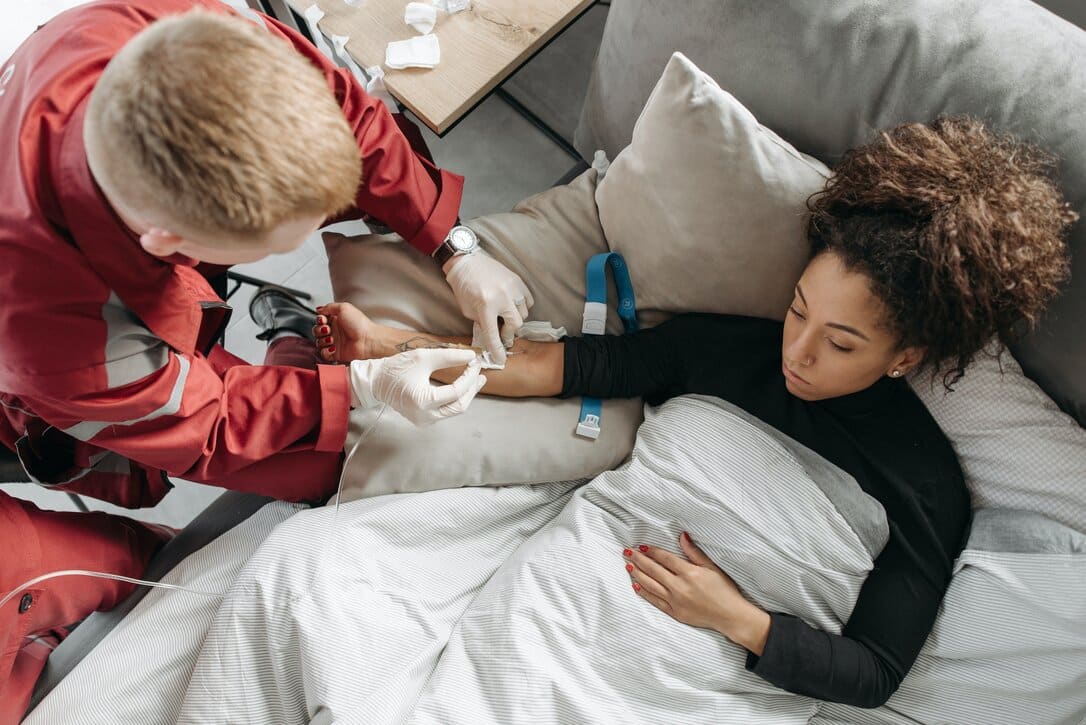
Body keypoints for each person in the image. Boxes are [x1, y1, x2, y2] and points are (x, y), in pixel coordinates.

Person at [312, 117, 1075, 707]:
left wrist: (737, 617)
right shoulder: (725, 348)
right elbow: (564, 366)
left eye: (841, 344)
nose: (798, 352)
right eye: (798, 310)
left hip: (692, 668)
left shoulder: (928, 482)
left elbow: (877, 671)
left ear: (904, 358)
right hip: (574, 589)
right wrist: (395, 343)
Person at [0, 0, 522, 715]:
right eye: (280, 246)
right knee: (323, 467)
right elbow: (207, 423)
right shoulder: (64, 346)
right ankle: (291, 339)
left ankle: (290, 339)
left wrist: (453, 246)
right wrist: (363, 388)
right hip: (89, 383)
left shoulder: (189, 37)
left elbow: (348, 118)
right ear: (170, 245)